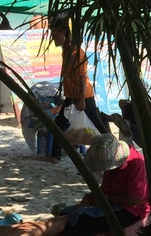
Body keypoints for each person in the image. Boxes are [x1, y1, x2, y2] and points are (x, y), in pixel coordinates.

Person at [0, 133, 149, 236]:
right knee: (66, 213)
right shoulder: (110, 159)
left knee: (81, 218)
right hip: (109, 202)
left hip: (130, 211)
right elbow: (106, 188)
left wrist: (103, 199)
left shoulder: (136, 164)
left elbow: (135, 199)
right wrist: (93, 198)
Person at [45, 14, 107, 162]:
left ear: (65, 34)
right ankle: (55, 155)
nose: (54, 39)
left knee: (97, 125)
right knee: (60, 123)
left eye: (56, 35)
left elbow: (81, 79)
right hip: (72, 96)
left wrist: (81, 100)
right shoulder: (66, 51)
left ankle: (112, 148)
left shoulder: (75, 53)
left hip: (82, 96)